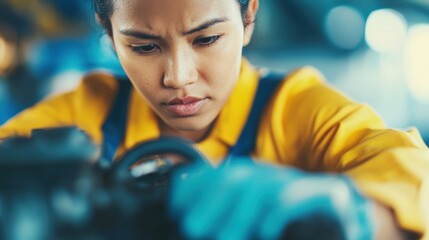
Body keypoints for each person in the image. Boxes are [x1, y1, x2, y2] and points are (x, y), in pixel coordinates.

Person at [0, 0, 428, 239]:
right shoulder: (87, 113)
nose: (178, 77)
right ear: (109, 36)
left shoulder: (296, 110)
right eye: (144, 47)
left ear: (248, 17)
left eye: (206, 39)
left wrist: (352, 216)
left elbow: (412, 175)